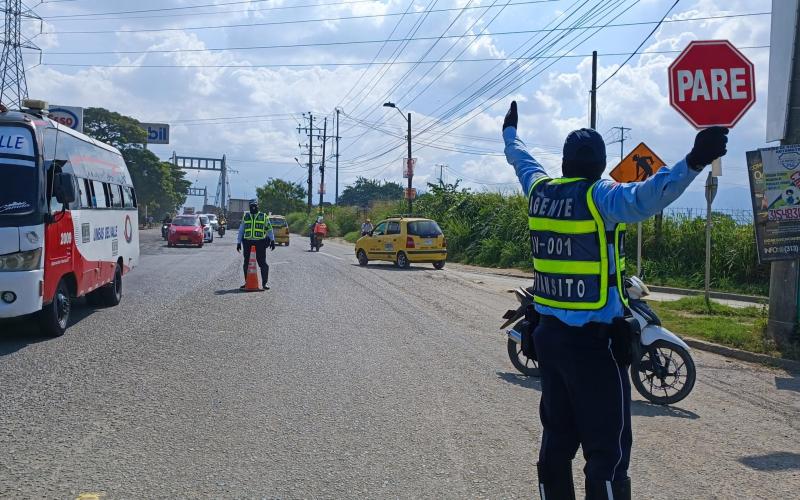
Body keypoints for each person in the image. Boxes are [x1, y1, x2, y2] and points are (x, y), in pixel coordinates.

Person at [502, 101, 727, 500]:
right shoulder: (601, 197)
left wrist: (510, 133)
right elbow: (649, 195)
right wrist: (694, 160)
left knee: (556, 440)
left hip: (549, 341)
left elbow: (522, 161)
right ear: (601, 164)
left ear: (565, 163)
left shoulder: (539, 192)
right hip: (595, 346)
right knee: (608, 451)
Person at [237, 199, 275, 290]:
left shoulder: (263, 216)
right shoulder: (246, 216)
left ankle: (264, 284)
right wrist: (238, 242)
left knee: (263, 263)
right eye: (251, 206)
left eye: (255, 205)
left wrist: (272, 240)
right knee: (246, 263)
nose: (253, 207)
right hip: (248, 242)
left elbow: (269, 229)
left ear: (258, 206)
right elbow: (241, 230)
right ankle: (247, 282)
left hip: (260, 243)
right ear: (249, 207)